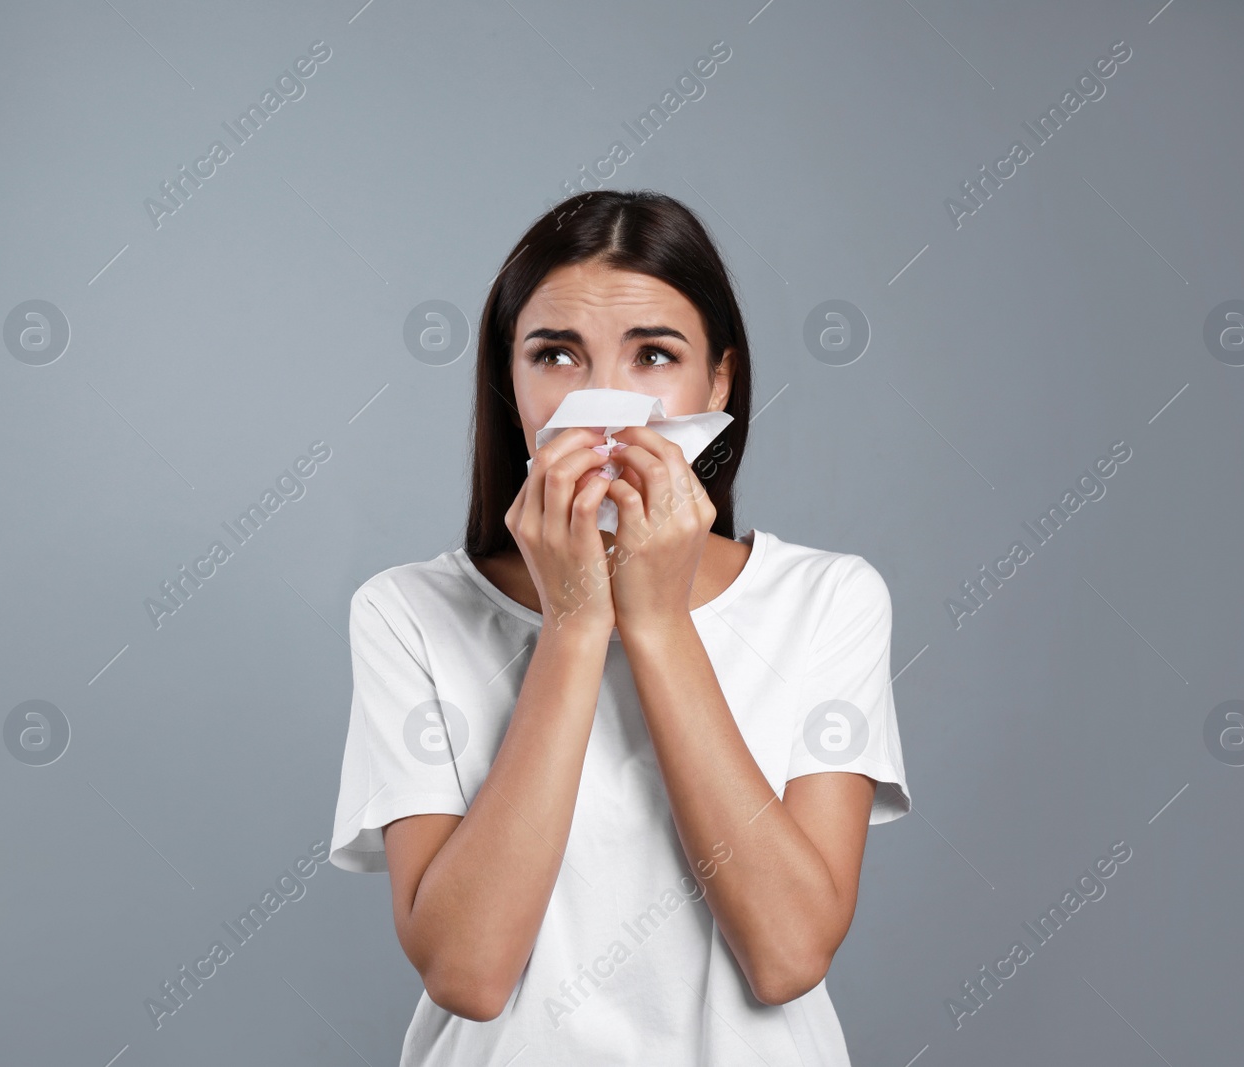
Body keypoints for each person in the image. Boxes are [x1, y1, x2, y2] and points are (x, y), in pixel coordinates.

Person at [328, 189, 910, 1066]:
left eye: (653, 355)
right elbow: (468, 972)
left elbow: (789, 954)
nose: (603, 401)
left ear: (719, 380)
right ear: (508, 380)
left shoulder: (828, 599)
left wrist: (657, 620)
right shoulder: (407, 612)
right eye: (556, 354)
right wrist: (571, 624)